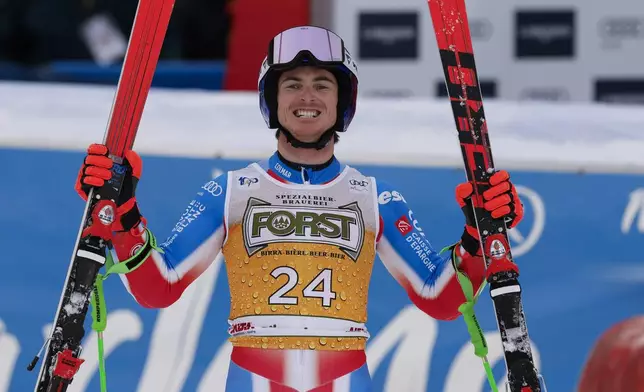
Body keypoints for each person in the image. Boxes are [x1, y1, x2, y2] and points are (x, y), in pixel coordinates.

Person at [75, 25, 524, 392]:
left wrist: (478, 239)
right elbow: (159, 288)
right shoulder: (232, 191)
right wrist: (123, 215)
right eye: (292, 85)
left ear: (341, 102)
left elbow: (441, 298)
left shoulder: (374, 196)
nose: (306, 97)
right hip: (253, 378)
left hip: (347, 379)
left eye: (321, 85)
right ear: (272, 100)